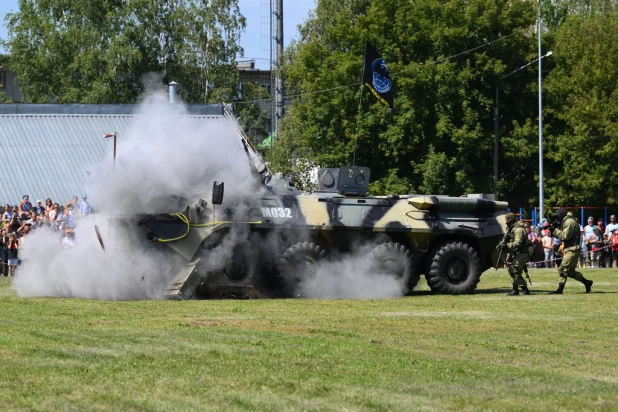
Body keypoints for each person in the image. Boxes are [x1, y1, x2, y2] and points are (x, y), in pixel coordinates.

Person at [546, 208, 593, 294]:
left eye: (558, 217)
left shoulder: (569, 222)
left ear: (561, 216)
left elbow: (565, 236)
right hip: (570, 248)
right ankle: (587, 283)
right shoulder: (568, 221)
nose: (557, 219)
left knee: (562, 268)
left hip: (572, 249)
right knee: (570, 272)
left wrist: (555, 230)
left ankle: (560, 290)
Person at [497, 213, 531, 295]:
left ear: (511, 220)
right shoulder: (512, 229)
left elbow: (518, 243)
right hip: (519, 252)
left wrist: (506, 245)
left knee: (513, 269)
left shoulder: (518, 230)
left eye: (506, 221)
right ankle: (525, 289)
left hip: (524, 252)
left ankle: (515, 290)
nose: (506, 222)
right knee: (515, 271)